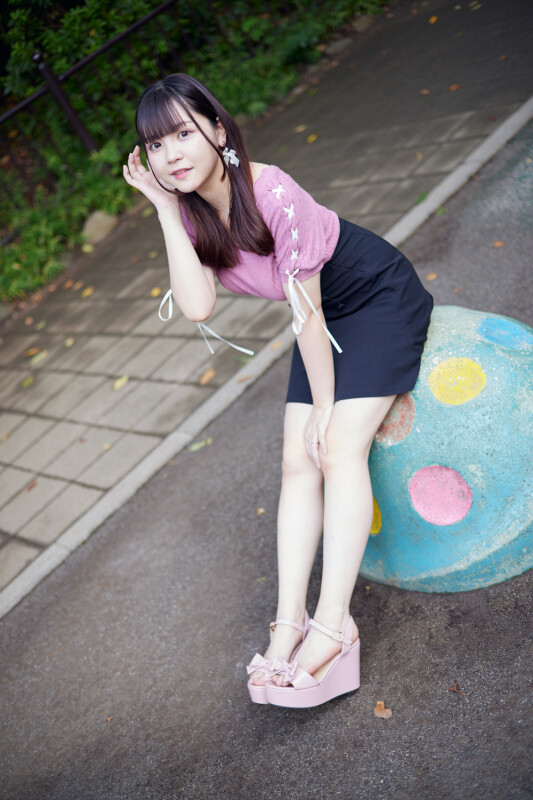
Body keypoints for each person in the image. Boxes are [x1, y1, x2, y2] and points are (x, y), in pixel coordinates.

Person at [123, 73, 433, 709]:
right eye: (155, 145)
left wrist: (324, 405)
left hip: (373, 298)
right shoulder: (189, 213)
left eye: (183, 134)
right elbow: (198, 306)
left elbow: (309, 313)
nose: (171, 155)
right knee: (296, 460)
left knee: (336, 446)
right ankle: (289, 623)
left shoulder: (272, 192)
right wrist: (163, 210)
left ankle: (334, 627)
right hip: (315, 318)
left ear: (218, 130)